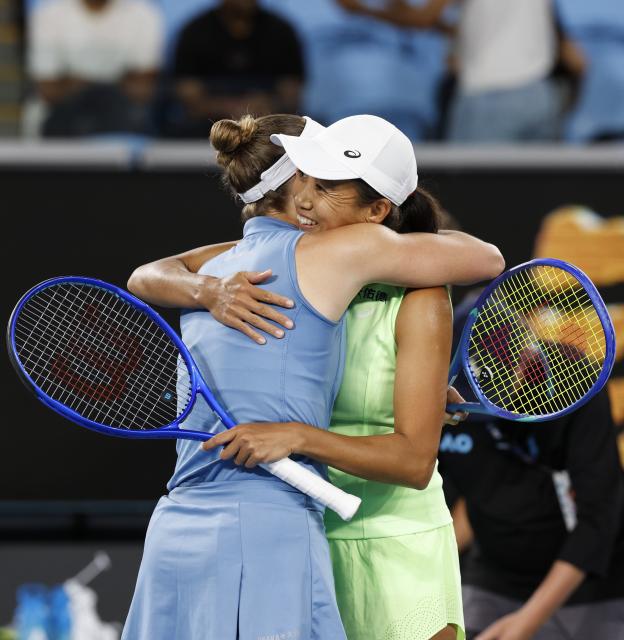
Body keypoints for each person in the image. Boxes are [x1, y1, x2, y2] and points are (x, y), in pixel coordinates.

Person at [128, 114, 502, 638]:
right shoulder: (255, 266)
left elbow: (488, 258)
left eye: (327, 189)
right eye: (308, 179)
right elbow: (152, 274)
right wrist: (207, 292)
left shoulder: (410, 288)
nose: (307, 201)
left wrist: (405, 388)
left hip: (392, 537)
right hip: (309, 525)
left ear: (377, 211)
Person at [438, 294, 624, 640]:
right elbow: (467, 494)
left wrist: (527, 622)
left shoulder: (577, 380)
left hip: (591, 581)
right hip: (495, 574)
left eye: (495, 391)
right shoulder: (444, 393)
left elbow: (598, 519)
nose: (469, 405)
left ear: (527, 361)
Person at [169, 0, 304, 138]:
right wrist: (228, 107)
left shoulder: (281, 31)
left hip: (269, 133)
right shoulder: (195, 32)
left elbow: (291, 96)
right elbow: (188, 97)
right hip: (206, 134)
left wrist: (267, 104)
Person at [28, 0, 163, 137]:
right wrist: (118, 81)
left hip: (124, 121)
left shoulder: (143, 14)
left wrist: (74, 82)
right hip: (63, 120)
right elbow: (48, 90)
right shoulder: (49, 14)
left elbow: (143, 89)